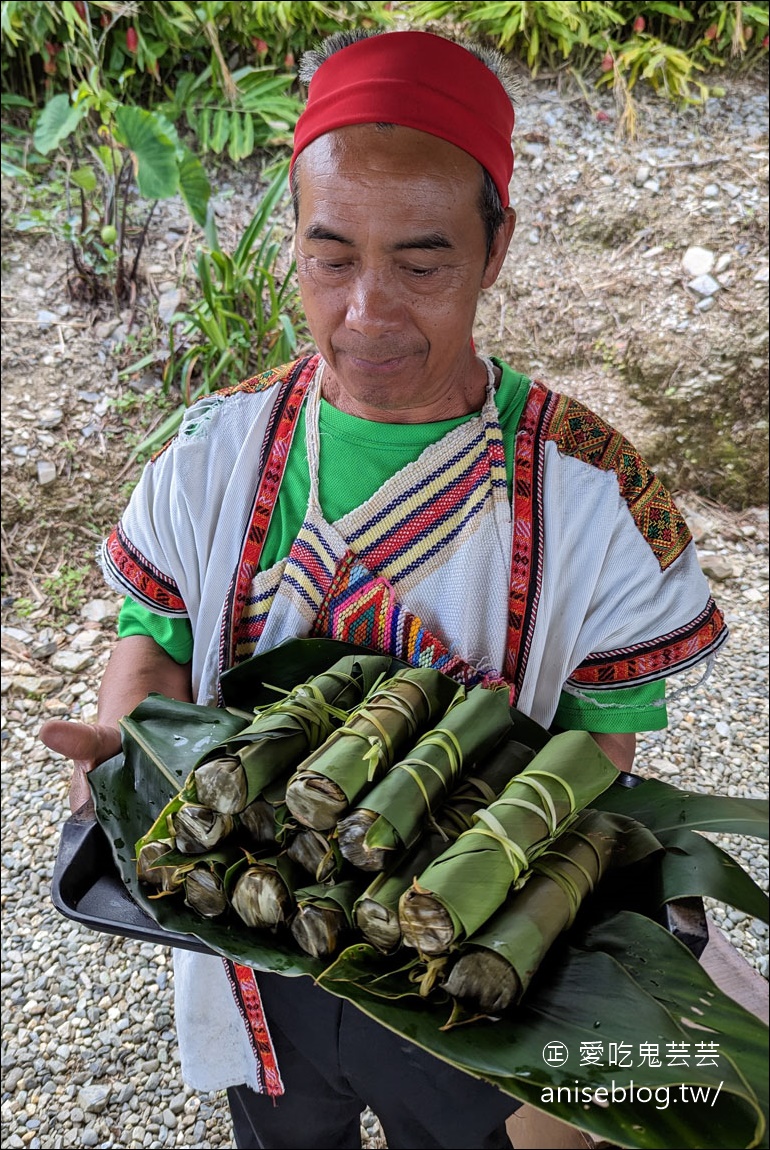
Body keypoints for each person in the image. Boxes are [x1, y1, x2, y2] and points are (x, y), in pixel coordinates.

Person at [41, 28, 728, 1150]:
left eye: (420, 263)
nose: (366, 313)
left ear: (495, 246)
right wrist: (132, 745)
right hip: (254, 927)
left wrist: (470, 884)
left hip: (463, 949)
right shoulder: (213, 453)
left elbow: (599, 751)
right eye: (328, 257)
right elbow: (153, 639)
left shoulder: (591, 493)